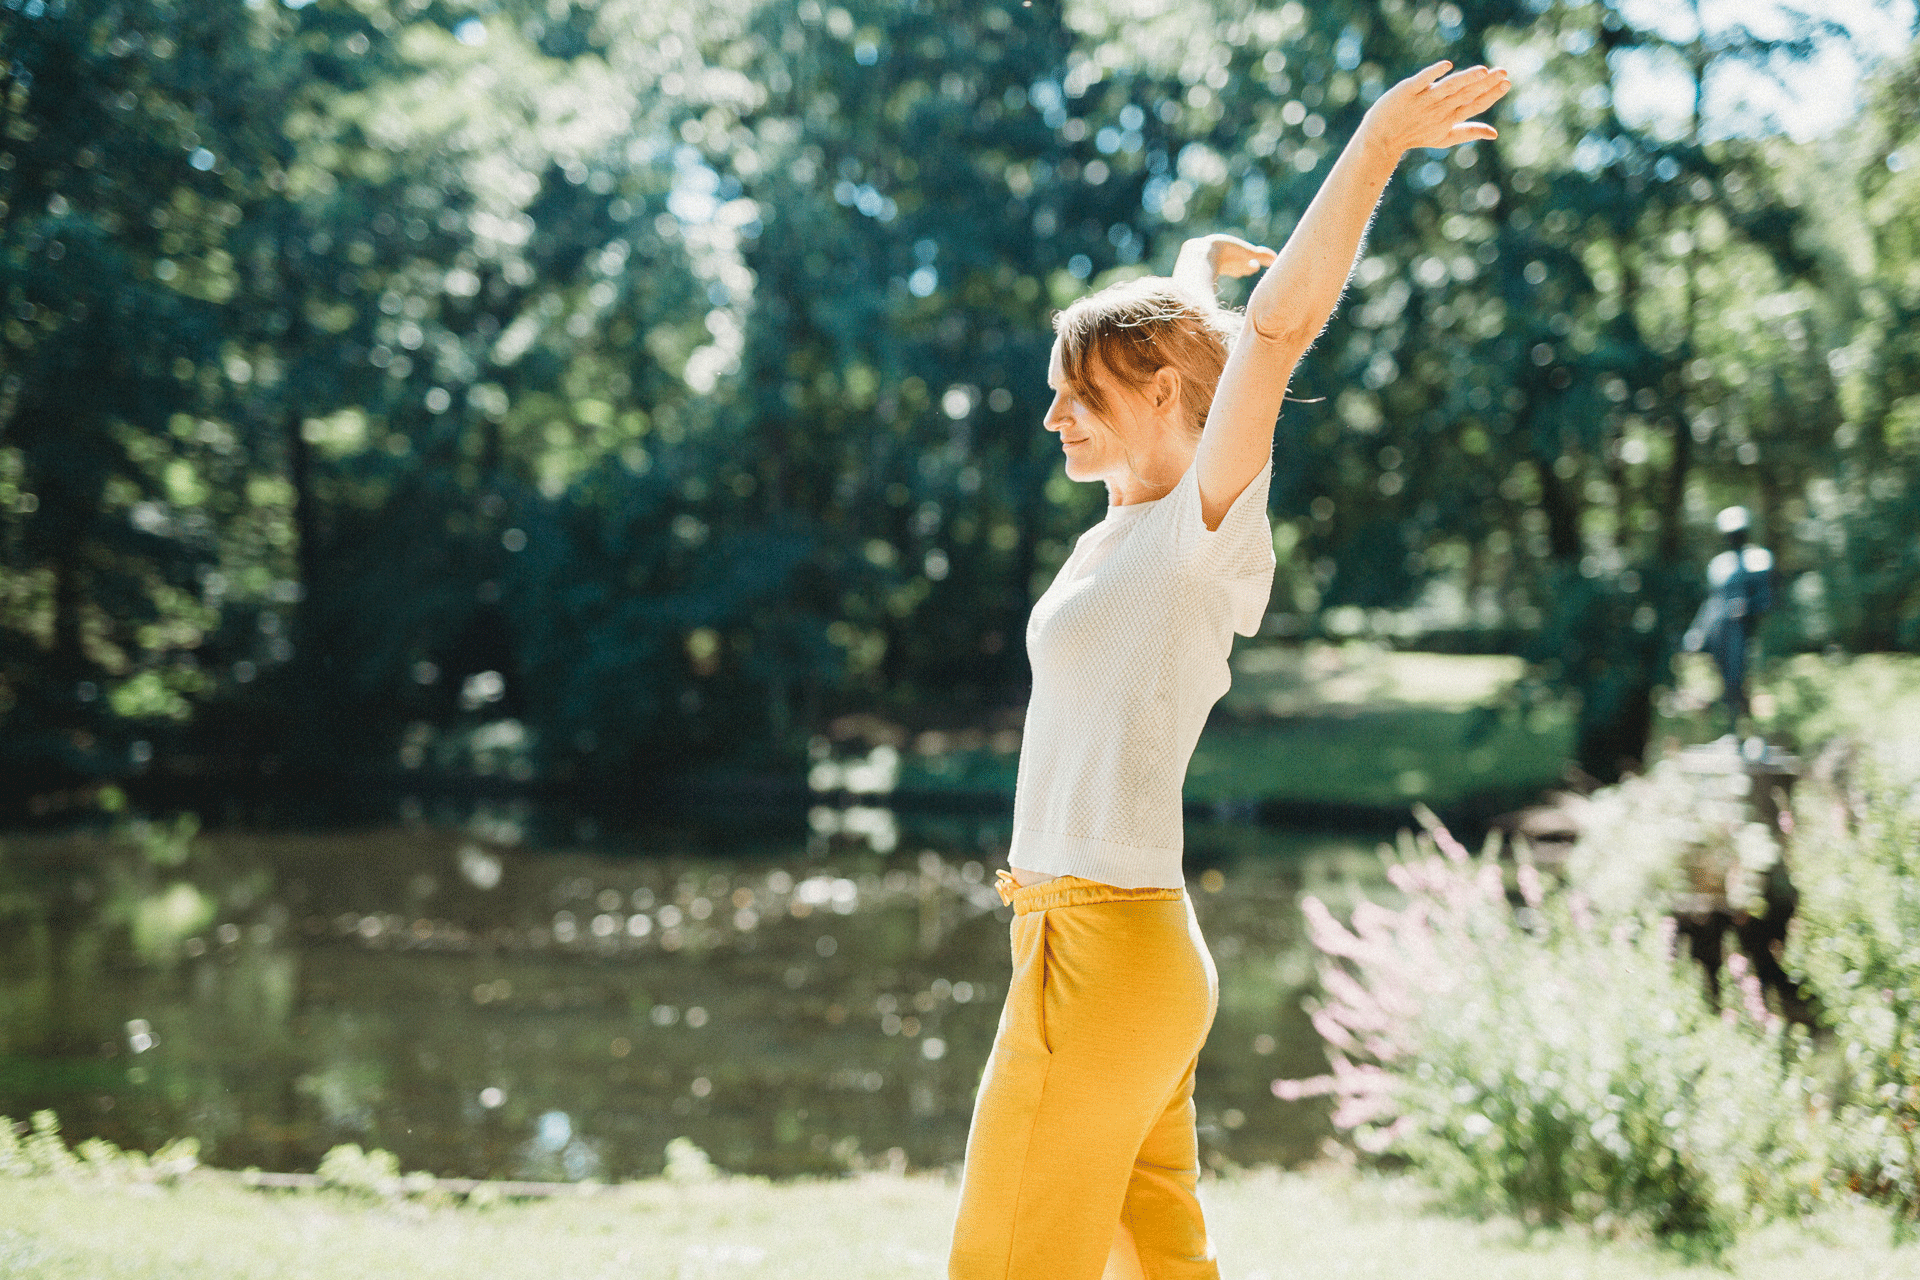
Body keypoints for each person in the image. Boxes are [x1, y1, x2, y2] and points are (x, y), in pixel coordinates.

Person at [946, 60, 1511, 1280]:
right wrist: (1193, 268)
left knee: (1002, 1262)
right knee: (1161, 1264)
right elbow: (1199, 345)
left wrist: (1371, 148)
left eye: (1076, 396)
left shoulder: (1204, 521)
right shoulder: (1130, 523)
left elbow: (1275, 334)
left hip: (1104, 949)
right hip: (1100, 943)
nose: (1052, 420)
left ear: (1160, 393)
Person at [1681, 505, 1774, 735]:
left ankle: (1750, 732)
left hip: (1746, 633)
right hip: (1720, 632)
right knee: (1726, 682)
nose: (1733, 539)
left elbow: (1769, 598)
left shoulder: (1759, 560)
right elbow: (1712, 602)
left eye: (1737, 533)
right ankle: (1733, 732)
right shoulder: (1720, 565)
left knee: (1742, 679)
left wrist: (1748, 608)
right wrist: (1697, 631)